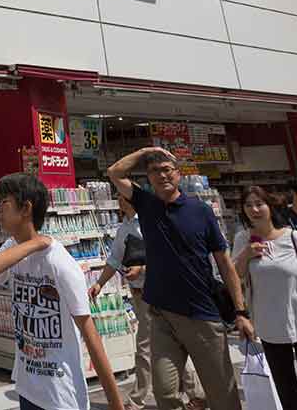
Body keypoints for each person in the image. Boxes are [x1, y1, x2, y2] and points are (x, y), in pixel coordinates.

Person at [108, 147, 253, 410]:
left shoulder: (201, 211)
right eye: (155, 171)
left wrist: (241, 311)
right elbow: (115, 172)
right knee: (165, 393)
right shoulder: (146, 204)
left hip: (201, 316)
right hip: (161, 314)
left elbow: (224, 264)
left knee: (222, 394)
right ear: (148, 177)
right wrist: (147, 151)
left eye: (167, 170)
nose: (162, 175)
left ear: (178, 174)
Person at [0, 173, 125, 410]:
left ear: (26, 208)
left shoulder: (59, 263)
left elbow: (90, 334)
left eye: (4, 203)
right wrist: (37, 242)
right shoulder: (14, 246)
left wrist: (115, 402)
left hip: (60, 394)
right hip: (28, 387)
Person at [230, 187, 297, 410]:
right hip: (268, 325)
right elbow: (234, 276)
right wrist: (246, 254)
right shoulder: (243, 238)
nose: (254, 209)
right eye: (248, 205)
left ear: (270, 206)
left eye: (259, 203)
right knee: (284, 387)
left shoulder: (293, 237)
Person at [90, 195, 151, 409]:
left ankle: (136, 400)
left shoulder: (149, 223)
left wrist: (142, 269)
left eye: (122, 199)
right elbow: (115, 259)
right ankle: (195, 392)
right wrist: (99, 283)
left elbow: (165, 256)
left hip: (156, 292)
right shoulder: (124, 228)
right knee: (163, 344)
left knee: (145, 346)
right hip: (138, 293)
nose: (118, 203)